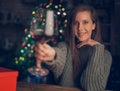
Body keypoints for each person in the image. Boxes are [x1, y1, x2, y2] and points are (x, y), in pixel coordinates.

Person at [35, 4, 112, 91]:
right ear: (71, 26)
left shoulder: (105, 56)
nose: (80, 28)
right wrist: (53, 55)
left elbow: (92, 88)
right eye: (76, 23)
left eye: (85, 22)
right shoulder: (64, 47)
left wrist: (97, 48)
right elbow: (58, 55)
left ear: (93, 25)